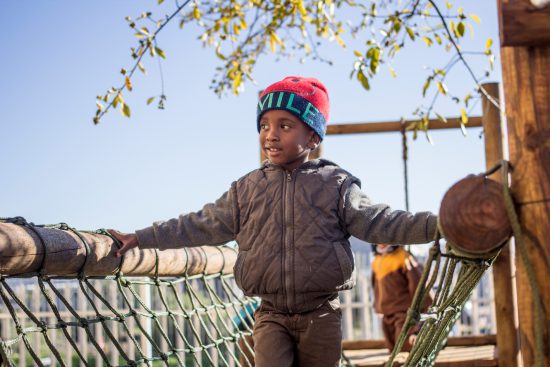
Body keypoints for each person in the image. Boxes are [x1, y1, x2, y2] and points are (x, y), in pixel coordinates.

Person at [110, 76, 438, 367]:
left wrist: (440, 225)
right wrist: (141, 237)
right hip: (271, 314)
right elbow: (198, 223)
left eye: (284, 125)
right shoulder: (247, 190)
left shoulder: (336, 186)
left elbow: (383, 221)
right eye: (264, 125)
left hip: (321, 313)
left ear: (312, 138)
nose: (270, 134)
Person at [371, 244, 432, 352]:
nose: (381, 242)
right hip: (386, 313)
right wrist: (377, 306)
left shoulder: (403, 257)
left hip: (404, 312)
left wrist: (424, 307)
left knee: (404, 346)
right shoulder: (376, 260)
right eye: (377, 240)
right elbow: (375, 286)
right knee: (392, 347)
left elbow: (418, 283)